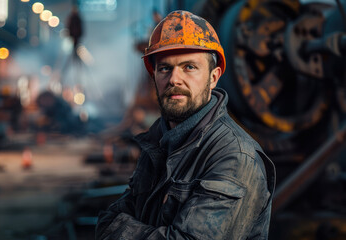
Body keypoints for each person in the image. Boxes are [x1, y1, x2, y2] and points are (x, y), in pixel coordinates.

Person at [95, 10, 275, 239]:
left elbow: (111, 226)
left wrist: (119, 230)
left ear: (213, 77)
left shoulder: (234, 157)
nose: (174, 79)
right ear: (155, 76)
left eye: (189, 67)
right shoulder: (160, 141)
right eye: (164, 68)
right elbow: (107, 220)